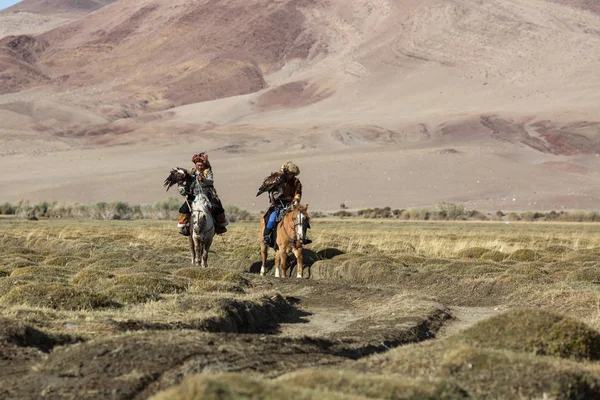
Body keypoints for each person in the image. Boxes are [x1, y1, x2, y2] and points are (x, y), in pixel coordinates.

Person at [177, 152, 228, 235]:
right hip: (193, 195)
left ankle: (220, 226)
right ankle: (184, 227)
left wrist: (203, 180)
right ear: (195, 165)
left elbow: (211, 181)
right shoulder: (191, 172)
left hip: (206, 194)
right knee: (183, 209)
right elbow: (185, 183)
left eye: (201, 165)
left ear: (204, 164)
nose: (200, 167)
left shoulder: (208, 172)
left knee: (217, 207)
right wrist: (181, 189)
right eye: (198, 165)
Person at [262, 161, 311, 245]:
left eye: (292, 174)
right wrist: (274, 195)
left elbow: (298, 193)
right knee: (272, 218)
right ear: (286, 172)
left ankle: (303, 237)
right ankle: (267, 237)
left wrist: (295, 202)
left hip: (291, 204)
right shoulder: (278, 180)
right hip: (278, 204)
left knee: (302, 219)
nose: (291, 175)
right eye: (289, 173)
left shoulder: (296, 182)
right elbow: (272, 191)